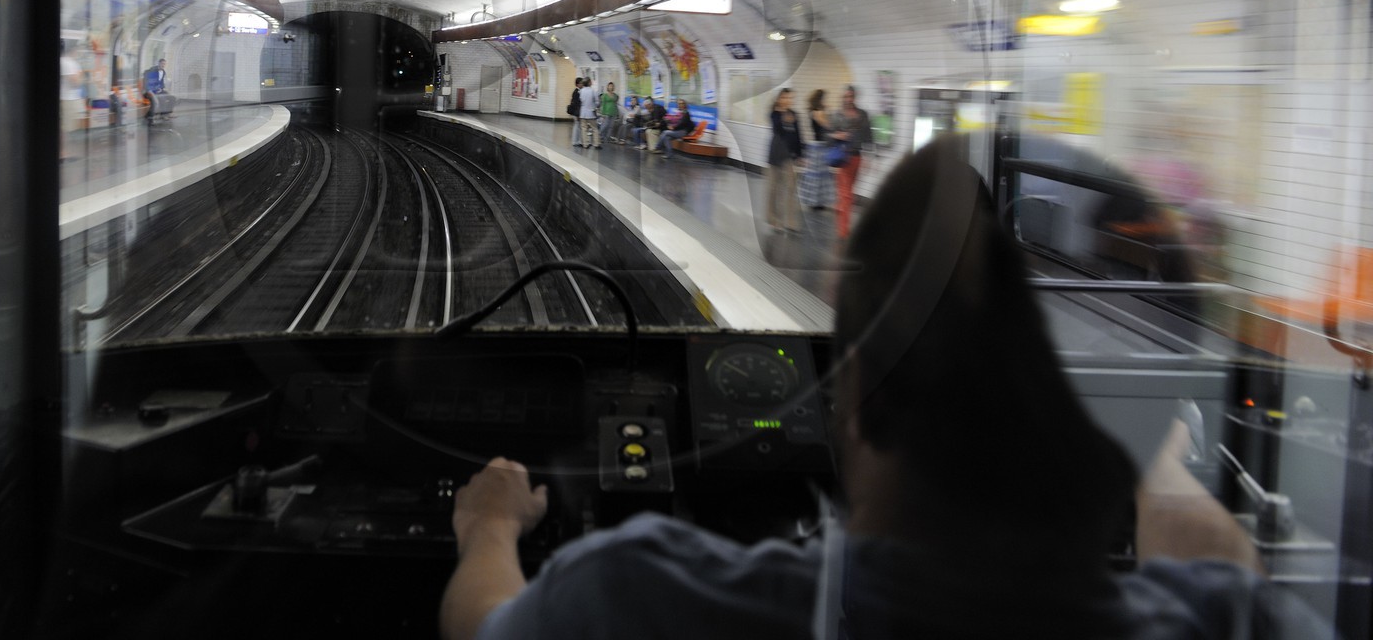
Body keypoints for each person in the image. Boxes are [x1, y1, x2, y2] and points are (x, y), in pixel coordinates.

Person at [439, 138, 1330, 640]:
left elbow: (484, 623)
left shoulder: (643, 596)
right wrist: (1159, 471)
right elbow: (1217, 568)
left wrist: (489, 528)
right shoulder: (1215, 620)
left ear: (854, 401)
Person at [834, 85, 872, 240]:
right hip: (842, 157)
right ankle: (843, 230)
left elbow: (868, 136)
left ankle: (841, 208)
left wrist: (869, 157)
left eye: (851, 96)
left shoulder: (862, 114)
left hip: (857, 157)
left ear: (855, 97)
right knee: (847, 195)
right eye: (846, 96)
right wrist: (838, 135)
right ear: (843, 98)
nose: (848, 99)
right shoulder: (838, 115)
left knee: (849, 192)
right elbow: (827, 135)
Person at [764, 88, 804, 233]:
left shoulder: (794, 115)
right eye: (785, 98)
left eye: (790, 98)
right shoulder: (774, 114)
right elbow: (777, 130)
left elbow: (798, 135)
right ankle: (774, 219)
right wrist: (782, 118)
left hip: (789, 157)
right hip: (775, 155)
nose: (788, 100)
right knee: (774, 189)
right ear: (779, 99)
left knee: (790, 188)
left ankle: (790, 222)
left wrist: (801, 155)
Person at [799, 89, 836, 211]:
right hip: (818, 147)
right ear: (820, 99)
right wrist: (828, 112)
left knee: (819, 175)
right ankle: (815, 201)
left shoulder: (814, 111)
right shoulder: (816, 112)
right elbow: (827, 125)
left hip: (819, 146)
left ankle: (818, 201)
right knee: (817, 175)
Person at [577, 75, 602, 149]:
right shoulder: (593, 91)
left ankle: (585, 144)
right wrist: (596, 106)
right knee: (594, 128)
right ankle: (596, 144)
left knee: (584, 129)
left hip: (583, 113)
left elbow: (580, 101)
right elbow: (597, 102)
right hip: (591, 113)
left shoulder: (581, 91)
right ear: (589, 82)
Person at [598, 82, 621, 146]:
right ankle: (600, 136)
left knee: (611, 126)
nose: (611, 87)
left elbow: (616, 104)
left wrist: (617, 113)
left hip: (613, 112)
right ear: (608, 87)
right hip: (606, 112)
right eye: (610, 86)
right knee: (605, 125)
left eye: (612, 86)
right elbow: (603, 104)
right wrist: (602, 113)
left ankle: (607, 137)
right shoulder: (604, 95)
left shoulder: (616, 96)